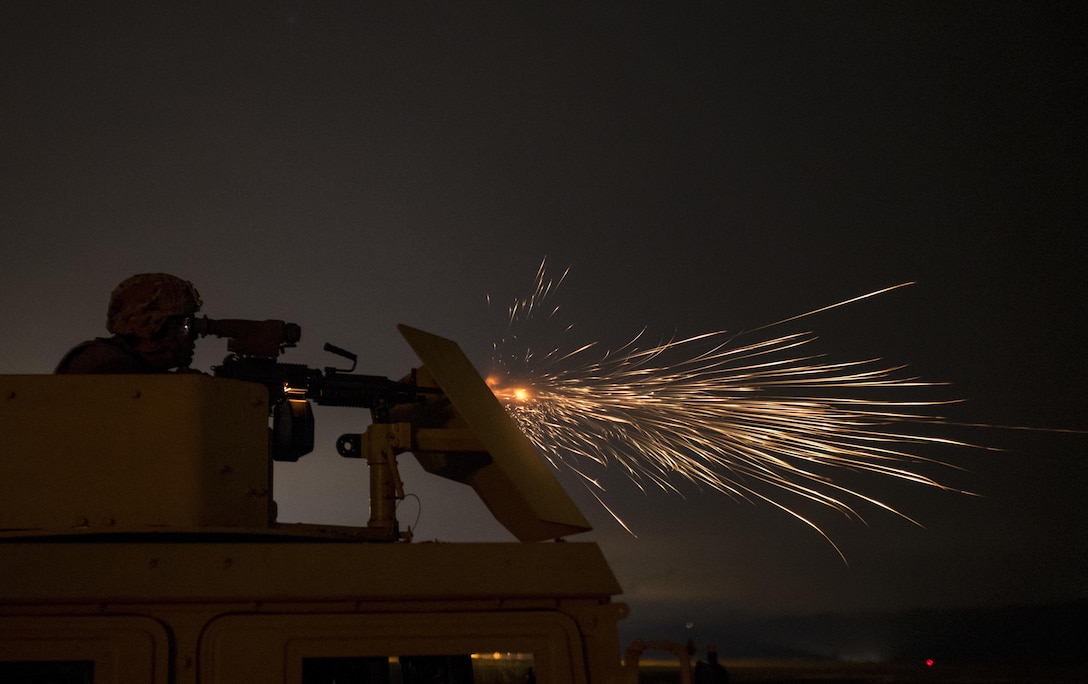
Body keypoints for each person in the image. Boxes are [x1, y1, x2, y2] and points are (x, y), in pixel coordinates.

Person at [55, 273, 203, 374]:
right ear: (152, 330)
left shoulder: (132, 366)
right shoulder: (103, 363)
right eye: (184, 326)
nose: (193, 336)